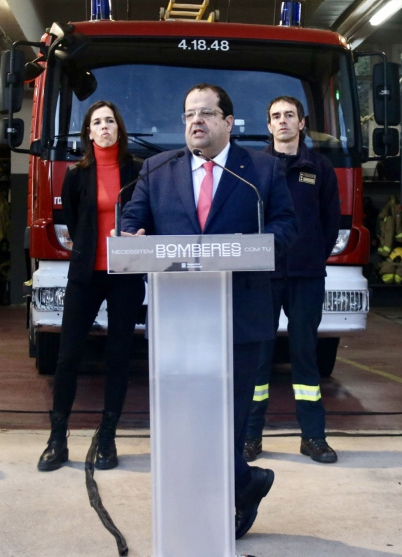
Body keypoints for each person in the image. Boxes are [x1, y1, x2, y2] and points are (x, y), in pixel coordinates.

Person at [121, 84, 297, 539]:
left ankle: (218, 506)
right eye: (188, 115)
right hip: (179, 318)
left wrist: (255, 247)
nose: (195, 122)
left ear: (228, 121)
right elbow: (132, 220)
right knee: (185, 422)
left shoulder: (261, 170)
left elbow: (285, 225)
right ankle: (243, 484)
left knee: (228, 421)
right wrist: (132, 236)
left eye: (205, 113)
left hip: (241, 315)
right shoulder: (158, 169)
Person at [37, 101, 146, 472]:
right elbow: (73, 219)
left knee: (119, 356)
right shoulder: (76, 174)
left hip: (125, 276)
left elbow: (146, 215)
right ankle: (57, 438)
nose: (104, 127)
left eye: (110, 121)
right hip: (85, 275)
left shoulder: (138, 170)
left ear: (119, 128)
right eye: (97, 122)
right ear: (88, 132)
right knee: (68, 356)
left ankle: (107, 437)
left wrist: (139, 234)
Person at [244, 96, 340, 464]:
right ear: (268, 125)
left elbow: (330, 222)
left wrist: (311, 255)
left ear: (302, 123)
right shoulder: (254, 167)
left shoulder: (320, 168)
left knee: (304, 357)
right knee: (258, 358)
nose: (282, 121)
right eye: (276, 116)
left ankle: (313, 438)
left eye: (289, 115)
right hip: (262, 276)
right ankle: (250, 437)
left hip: (306, 277)